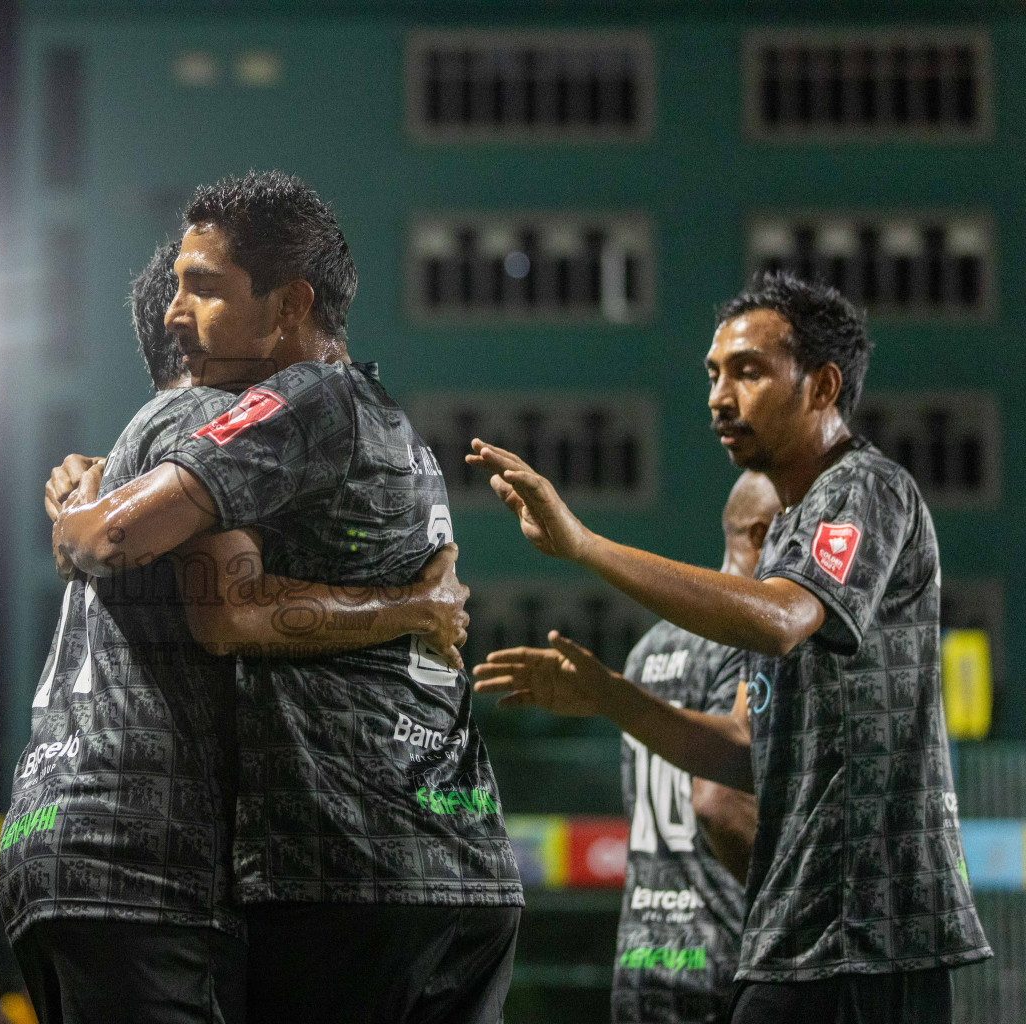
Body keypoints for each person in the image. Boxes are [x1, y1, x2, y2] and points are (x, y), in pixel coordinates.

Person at [52, 171, 523, 1024]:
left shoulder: (298, 399)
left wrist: (86, 504)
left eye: (203, 287)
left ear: (289, 305)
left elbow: (128, 551)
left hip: (345, 863)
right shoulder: (389, 419)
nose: (173, 309)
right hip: (465, 862)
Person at [468, 273, 990, 1023]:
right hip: (794, 938)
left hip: (872, 940)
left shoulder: (868, 486)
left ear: (823, 387)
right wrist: (609, 696)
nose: (719, 395)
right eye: (714, 373)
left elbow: (780, 619)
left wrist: (586, 546)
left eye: (748, 371)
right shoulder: (788, 532)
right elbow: (743, 756)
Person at [600, 471, 772, 1024]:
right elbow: (720, 804)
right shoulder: (745, 641)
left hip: (642, 955)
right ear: (765, 535)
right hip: (725, 960)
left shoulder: (649, 647)